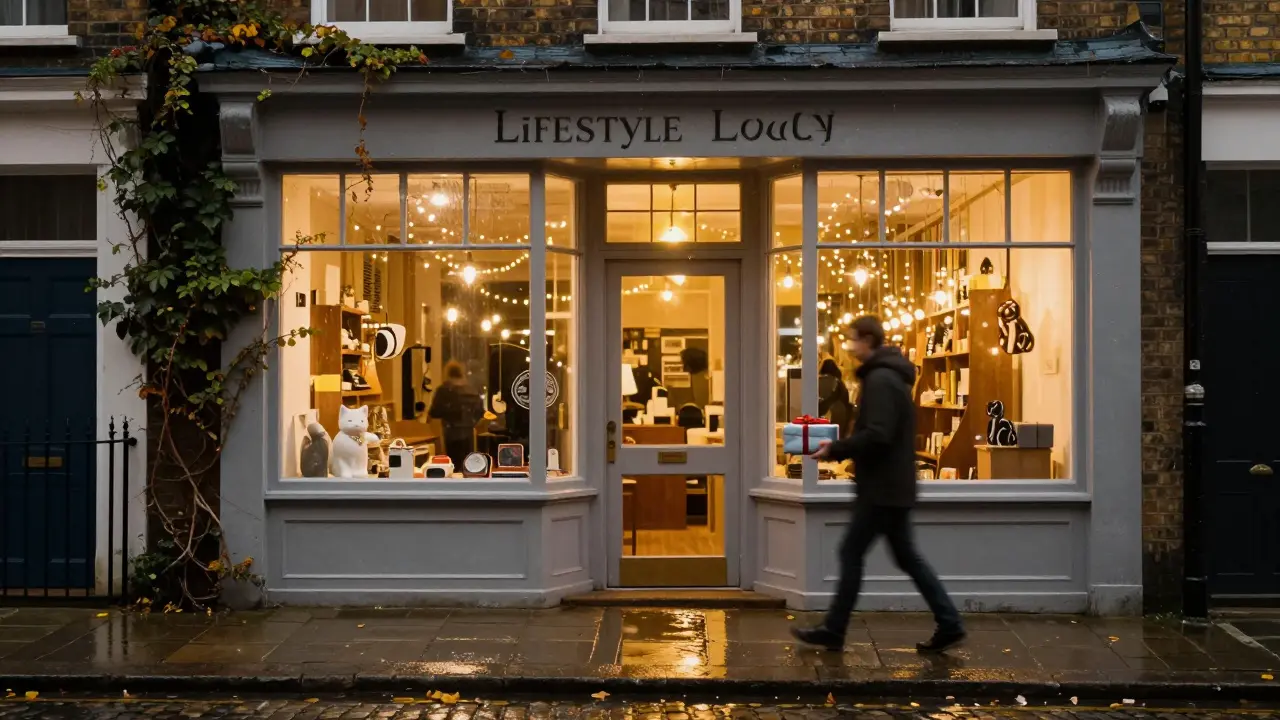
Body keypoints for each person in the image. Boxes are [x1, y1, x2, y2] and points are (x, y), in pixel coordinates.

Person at [791, 316, 966, 653]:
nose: (849, 346)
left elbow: (879, 433)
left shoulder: (881, 379)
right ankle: (949, 623)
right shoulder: (886, 377)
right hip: (891, 485)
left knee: (853, 551)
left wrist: (836, 448)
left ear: (868, 340)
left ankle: (834, 629)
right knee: (905, 557)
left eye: (852, 339)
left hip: (882, 488)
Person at [428, 360, 485, 469]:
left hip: (450, 434)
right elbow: (480, 412)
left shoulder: (444, 390)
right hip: (469, 433)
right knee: (468, 466)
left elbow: (434, 412)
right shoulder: (472, 390)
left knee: (452, 466)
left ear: (447, 373)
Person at [818, 358, 854, 438]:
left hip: (821, 413)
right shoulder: (838, 382)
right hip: (838, 412)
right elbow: (846, 398)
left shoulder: (817, 381)